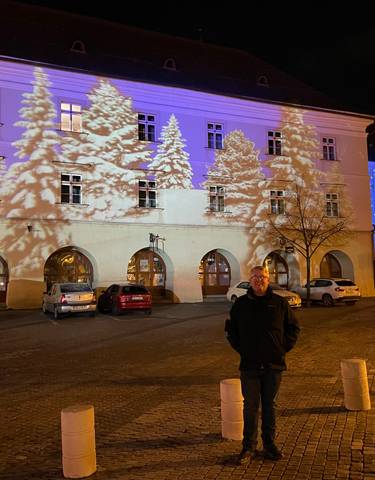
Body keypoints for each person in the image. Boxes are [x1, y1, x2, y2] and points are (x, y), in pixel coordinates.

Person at [225, 265, 300, 465]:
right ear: (250, 280)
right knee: (250, 407)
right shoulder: (241, 304)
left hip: (273, 365)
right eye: (256, 277)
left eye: (263, 277)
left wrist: (282, 348)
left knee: (270, 406)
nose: (259, 280)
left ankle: (269, 445)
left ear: (268, 279)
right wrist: (242, 349)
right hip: (249, 365)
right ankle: (248, 446)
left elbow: (293, 328)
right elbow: (231, 330)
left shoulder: (279, 303)